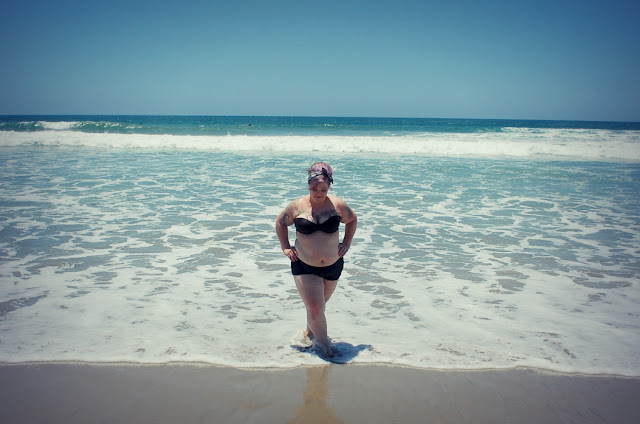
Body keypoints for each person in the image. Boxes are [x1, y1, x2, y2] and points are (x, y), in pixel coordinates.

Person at [275, 162, 357, 358]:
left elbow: (352, 220)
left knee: (317, 308)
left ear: (329, 187)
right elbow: (280, 223)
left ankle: (308, 334)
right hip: (304, 265)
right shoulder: (297, 206)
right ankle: (325, 350)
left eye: (323, 189)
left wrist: (347, 243)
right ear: (308, 185)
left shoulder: (337, 205)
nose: (319, 193)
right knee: (315, 307)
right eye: (314, 189)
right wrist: (285, 246)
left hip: (333, 265)